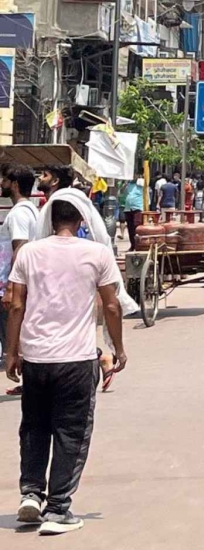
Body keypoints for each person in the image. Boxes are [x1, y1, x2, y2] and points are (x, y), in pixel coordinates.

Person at [5, 199, 127, 535]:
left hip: (36, 358)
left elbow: (16, 304)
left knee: (34, 427)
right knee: (71, 432)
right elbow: (112, 305)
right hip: (76, 358)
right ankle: (58, 509)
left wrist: (12, 352)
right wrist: (118, 347)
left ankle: (31, 493)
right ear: (82, 220)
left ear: (50, 218)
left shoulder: (28, 253)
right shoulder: (97, 253)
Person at [1, 165, 40, 397]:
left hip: (14, 281)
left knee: (13, 330)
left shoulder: (18, 214)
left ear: (14, 184)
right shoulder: (32, 211)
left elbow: (19, 249)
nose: (1, 184)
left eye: (4, 180)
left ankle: (24, 376)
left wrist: (10, 286)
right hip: (23, 280)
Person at [119, 178, 144, 251]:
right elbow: (121, 192)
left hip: (138, 208)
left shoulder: (141, 183)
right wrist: (125, 184)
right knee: (130, 228)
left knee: (137, 227)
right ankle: (132, 245)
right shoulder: (129, 185)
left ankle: (138, 245)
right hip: (128, 208)